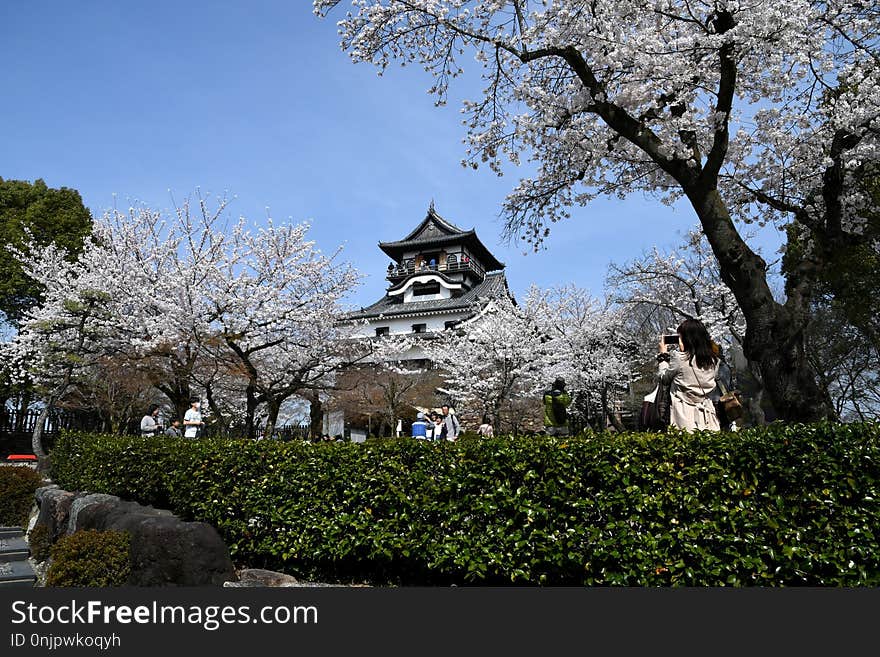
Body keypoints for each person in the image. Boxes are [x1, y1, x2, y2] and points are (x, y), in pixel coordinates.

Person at [657, 318, 721, 432]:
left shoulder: (680, 358)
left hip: (682, 414)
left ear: (686, 339)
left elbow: (664, 378)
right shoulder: (714, 361)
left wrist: (663, 356)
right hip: (708, 414)